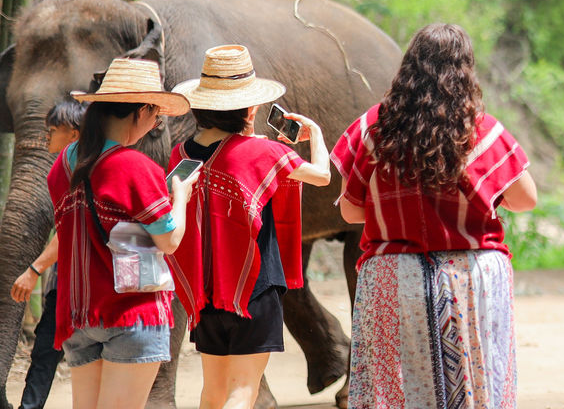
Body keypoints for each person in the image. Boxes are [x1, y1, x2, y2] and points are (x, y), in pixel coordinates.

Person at [334, 24, 538, 407]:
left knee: (397, 395)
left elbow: (350, 209)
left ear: (409, 65)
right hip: (470, 279)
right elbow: (526, 199)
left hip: (393, 280)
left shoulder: (372, 127)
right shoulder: (479, 129)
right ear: (465, 70)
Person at [166, 45, 331, 409]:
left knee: (213, 391)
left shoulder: (180, 156)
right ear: (250, 107)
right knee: (243, 392)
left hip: (206, 295)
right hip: (253, 292)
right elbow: (321, 175)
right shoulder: (263, 152)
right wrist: (315, 133)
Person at [50, 58, 196, 408]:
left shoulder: (64, 163)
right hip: (133, 312)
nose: (156, 122)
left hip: (80, 313)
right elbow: (170, 240)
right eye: (156, 114)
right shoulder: (134, 166)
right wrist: (182, 197)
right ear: (142, 109)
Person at [9, 99, 85, 409]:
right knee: (48, 349)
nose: (46, 138)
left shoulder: (83, 168)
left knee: (55, 351)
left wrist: (33, 270)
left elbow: (68, 229)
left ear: (74, 135)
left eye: (52, 131)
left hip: (85, 284)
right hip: (69, 279)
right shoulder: (69, 165)